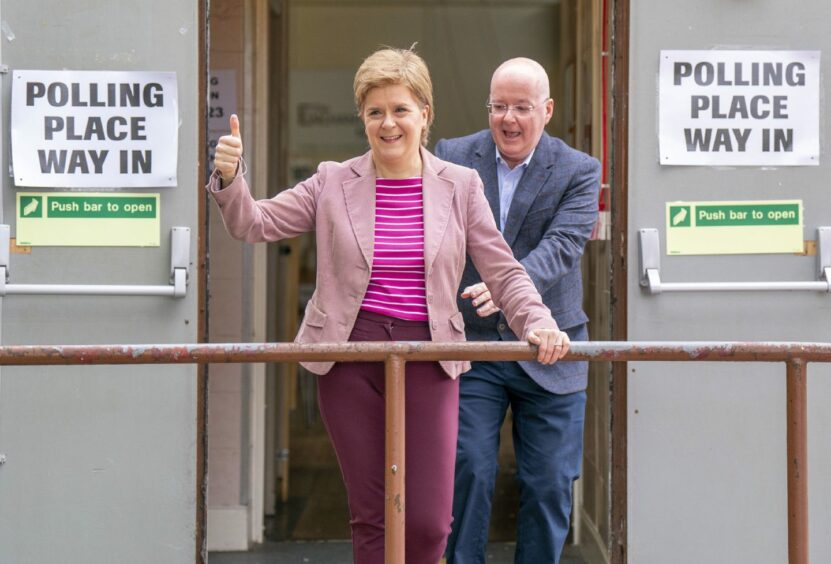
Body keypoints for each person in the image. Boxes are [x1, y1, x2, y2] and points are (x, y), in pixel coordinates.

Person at [207, 47, 571, 564]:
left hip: (428, 356)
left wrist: (539, 322)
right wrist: (230, 176)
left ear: (425, 114)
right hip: (348, 360)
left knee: (427, 523)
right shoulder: (333, 180)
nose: (388, 123)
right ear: (362, 117)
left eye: (400, 109)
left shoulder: (460, 186)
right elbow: (254, 223)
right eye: (375, 111)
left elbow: (503, 270)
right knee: (372, 516)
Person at [435, 57, 601, 564]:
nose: (509, 119)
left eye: (522, 108)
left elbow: (562, 247)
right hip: (474, 344)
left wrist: (506, 287)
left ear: (547, 110)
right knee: (468, 468)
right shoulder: (452, 157)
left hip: (550, 347)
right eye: (499, 106)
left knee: (550, 483)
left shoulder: (579, 169)